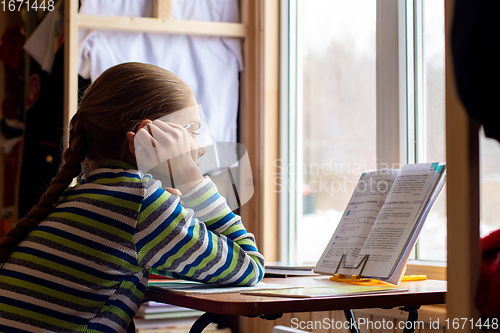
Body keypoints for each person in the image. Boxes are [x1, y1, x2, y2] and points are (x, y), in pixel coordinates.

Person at [0, 62, 265, 332]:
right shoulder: (140, 202)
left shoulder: (86, 194)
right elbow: (250, 267)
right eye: (193, 132)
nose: (199, 148)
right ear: (147, 135)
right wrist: (191, 180)